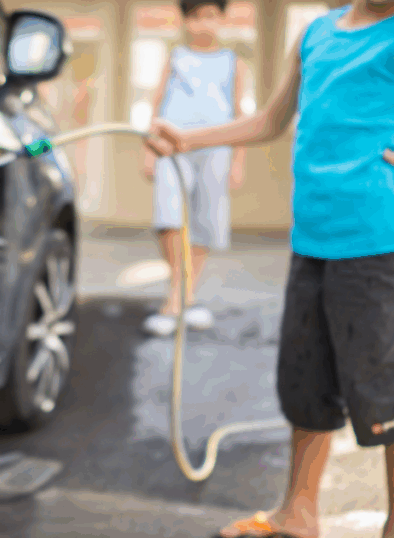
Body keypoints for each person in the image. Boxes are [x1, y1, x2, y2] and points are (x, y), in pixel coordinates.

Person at [147, 1, 394, 537]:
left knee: (386, 392)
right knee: (306, 380)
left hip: (379, 243)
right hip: (313, 239)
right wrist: (187, 141)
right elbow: (269, 120)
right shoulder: (315, 33)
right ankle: (299, 514)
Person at [141, 0, 248, 337]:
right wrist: (148, 150)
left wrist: (238, 159)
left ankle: (184, 296)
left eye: (211, 17)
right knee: (169, 216)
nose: (203, 24)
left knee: (204, 220)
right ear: (185, 21)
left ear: (222, 19)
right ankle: (176, 295)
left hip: (215, 150)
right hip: (171, 149)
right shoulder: (174, 58)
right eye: (196, 17)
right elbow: (156, 104)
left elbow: (240, 114)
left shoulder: (234, 63)